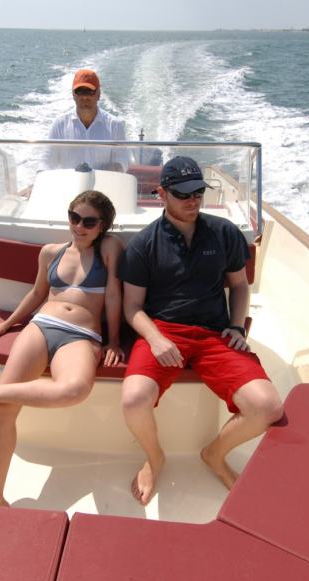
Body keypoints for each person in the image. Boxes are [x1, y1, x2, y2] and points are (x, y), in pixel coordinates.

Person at [117, 156, 283, 506]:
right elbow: (132, 307)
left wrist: (236, 326)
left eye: (198, 192)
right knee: (133, 400)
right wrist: (155, 338)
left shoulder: (224, 233)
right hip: (163, 330)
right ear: (162, 193)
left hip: (214, 333)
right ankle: (154, 458)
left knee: (267, 407)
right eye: (182, 194)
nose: (192, 200)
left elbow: (239, 285)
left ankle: (214, 454)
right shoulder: (144, 244)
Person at [0, 190, 124, 507]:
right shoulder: (50, 252)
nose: (79, 226)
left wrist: (113, 341)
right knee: (4, 410)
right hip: (41, 326)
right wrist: (6, 324)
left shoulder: (110, 248)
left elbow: (112, 296)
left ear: (102, 226)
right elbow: (37, 293)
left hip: (81, 334)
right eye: (74, 218)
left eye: (89, 222)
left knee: (74, 390)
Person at [40, 68, 130, 171]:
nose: (85, 97)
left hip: (103, 181)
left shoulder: (115, 125)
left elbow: (123, 160)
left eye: (89, 92)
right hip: (70, 181)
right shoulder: (59, 124)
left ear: (98, 94)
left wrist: (116, 166)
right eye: (80, 92)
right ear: (73, 95)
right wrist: (40, 175)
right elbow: (46, 161)